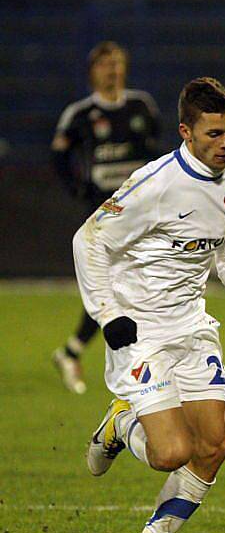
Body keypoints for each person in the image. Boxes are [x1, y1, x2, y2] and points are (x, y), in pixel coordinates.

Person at [73, 77, 225, 533]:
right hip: (139, 329)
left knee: (213, 447)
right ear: (186, 131)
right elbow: (89, 241)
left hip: (191, 326)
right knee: (171, 453)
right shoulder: (156, 184)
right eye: (214, 133)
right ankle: (121, 423)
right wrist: (107, 315)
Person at [52, 41, 162, 394]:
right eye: (105, 64)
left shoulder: (141, 106)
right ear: (93, 72)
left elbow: (154, 151)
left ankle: (73, 352)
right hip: (103, 217)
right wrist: (79, 189)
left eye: (117, 63)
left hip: (142, 216)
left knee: (131, 286)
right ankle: (90, 355)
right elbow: (58, 156)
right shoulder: (80, 114)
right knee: (117, 287)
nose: (113, 70)